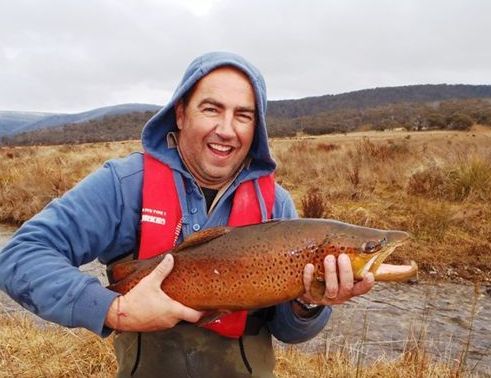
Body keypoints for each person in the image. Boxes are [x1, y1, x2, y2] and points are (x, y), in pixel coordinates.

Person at [0, 52, 374, 377]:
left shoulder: (276, 206)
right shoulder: (123, 185)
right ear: (180, 114)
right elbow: (19, 256)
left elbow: (290, 333)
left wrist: (310, 303)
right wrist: (112, 309)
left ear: (256, 127)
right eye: (211, 109)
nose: (226, 130)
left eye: (243, 115)